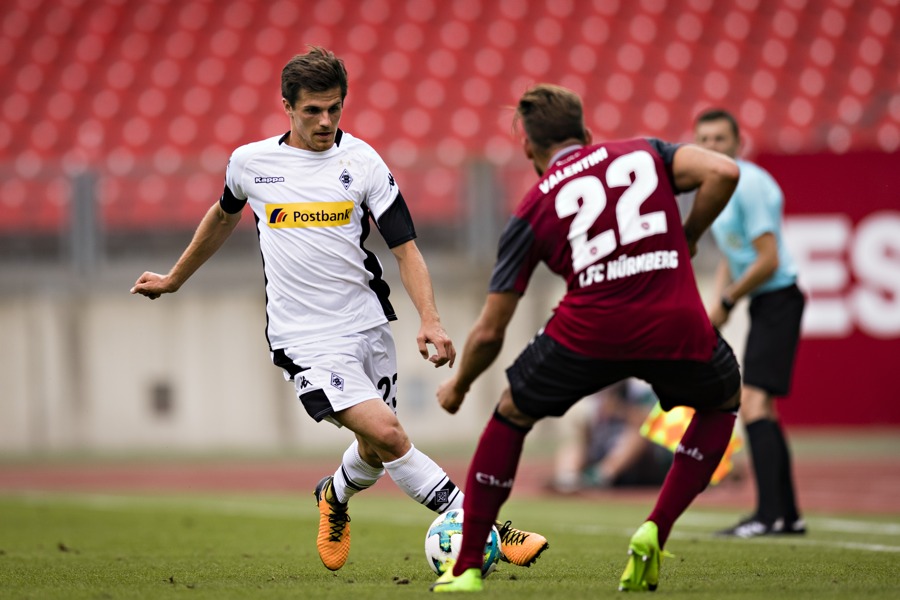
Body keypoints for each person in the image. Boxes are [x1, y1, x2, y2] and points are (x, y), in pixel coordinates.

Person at [130, 46, 546, 572]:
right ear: (287, 106)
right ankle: (486, 528)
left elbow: (405, 249)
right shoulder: (251, 163)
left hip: (367, 325)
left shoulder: (364, 162)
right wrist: (173, 279)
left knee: (375, 449)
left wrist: (430, 318)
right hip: (302, 337)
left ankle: (334, 495)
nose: (326, 121)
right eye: (312, 111)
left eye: (335, 108)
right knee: (390, 434)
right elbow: (221, 216)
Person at [429, 83, 742, 593]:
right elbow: (724, 171)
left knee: (511, 414)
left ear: (528, 147)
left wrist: (459, 385)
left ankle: (465, 568)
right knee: (723, 400)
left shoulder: (533, 208)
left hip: (590, 331)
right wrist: (690, 235)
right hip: (675, 321)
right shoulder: (645, 153)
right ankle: (655, 529)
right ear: (587, 132)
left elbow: (490, 331)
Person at [694, 109, 806, 538]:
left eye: (720, 139)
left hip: (778, 298)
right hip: (762, 301)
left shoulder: (750, 183)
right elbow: (732, 254)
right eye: (703, 140)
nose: (711, 148)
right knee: (763, 407)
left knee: (755, 404)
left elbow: (768, 259)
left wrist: (727, 299)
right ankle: (786, 515)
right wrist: (717, 306)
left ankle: (769, 515)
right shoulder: (717, 187)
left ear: (738, 144)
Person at [549, 380, 672, 494]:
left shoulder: (641, 390)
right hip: (605, 447)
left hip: (641, 461)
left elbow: (652, 422)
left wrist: (619, 410)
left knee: (638, 433)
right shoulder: (595, 392)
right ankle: (567, 479)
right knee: (576, 437)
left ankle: (600, 476)